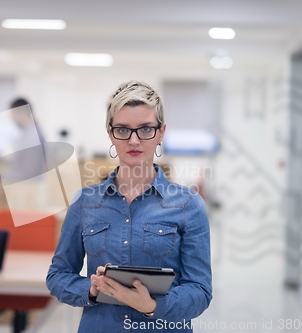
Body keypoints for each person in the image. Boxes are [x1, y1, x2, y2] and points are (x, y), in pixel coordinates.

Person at [46, 81, 212, 332]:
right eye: (123, 130)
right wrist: (90, 290)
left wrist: (152, 305)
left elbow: (200, 290)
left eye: (145, 129)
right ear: (110, 133)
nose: (134, 140)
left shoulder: (189, 204)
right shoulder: (85, 202)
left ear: (161, 132)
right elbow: (58, 276)